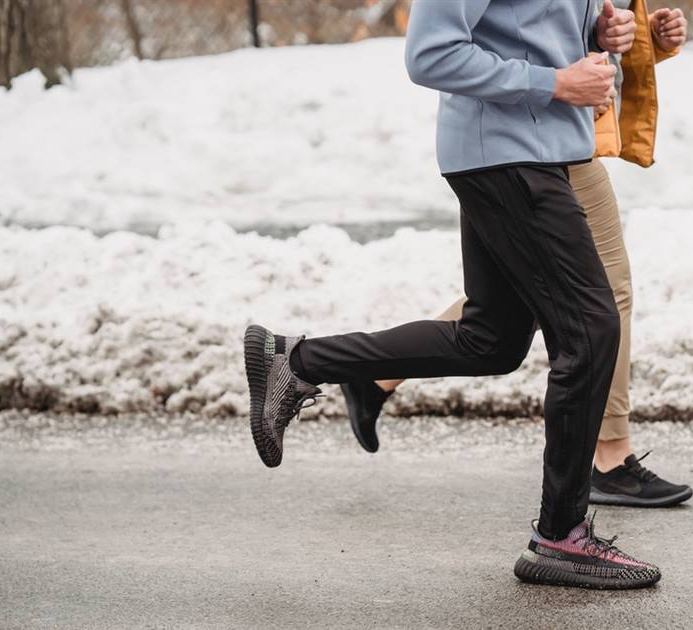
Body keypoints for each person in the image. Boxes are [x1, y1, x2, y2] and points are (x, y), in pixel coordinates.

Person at [244, 0, 662, 589]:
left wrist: (598, 28)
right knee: (591, 332)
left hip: (538, 151)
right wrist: (556, 82)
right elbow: (432, 53)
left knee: (490, 341)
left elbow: (527, 24)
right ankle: (562, 536)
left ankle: (298, 360)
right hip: (510, 154)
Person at [344, 0, 693, 510]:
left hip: (556, 138)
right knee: (596, 298)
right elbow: (436, 53)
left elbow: (546, 33)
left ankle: (366, 373)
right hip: (517, 144)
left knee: (520, 304)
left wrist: (627, 36)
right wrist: (556, 82)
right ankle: (607, 461)